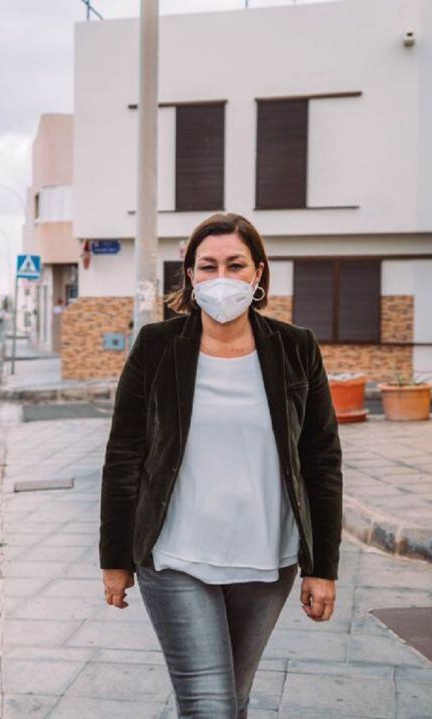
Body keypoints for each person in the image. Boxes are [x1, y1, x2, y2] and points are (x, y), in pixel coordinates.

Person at [99, 212, 343, 718]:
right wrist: (115, 559)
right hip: (175, 555)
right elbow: (125, 453)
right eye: (207, 266)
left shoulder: (296, 349)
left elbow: (321, 460)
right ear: (190, 275)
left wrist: (323, 569)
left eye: (235, 264)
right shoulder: (157, 347)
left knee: (232, 701)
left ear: (258, 274)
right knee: (208, 706)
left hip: (266, 558)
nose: (221, 278)